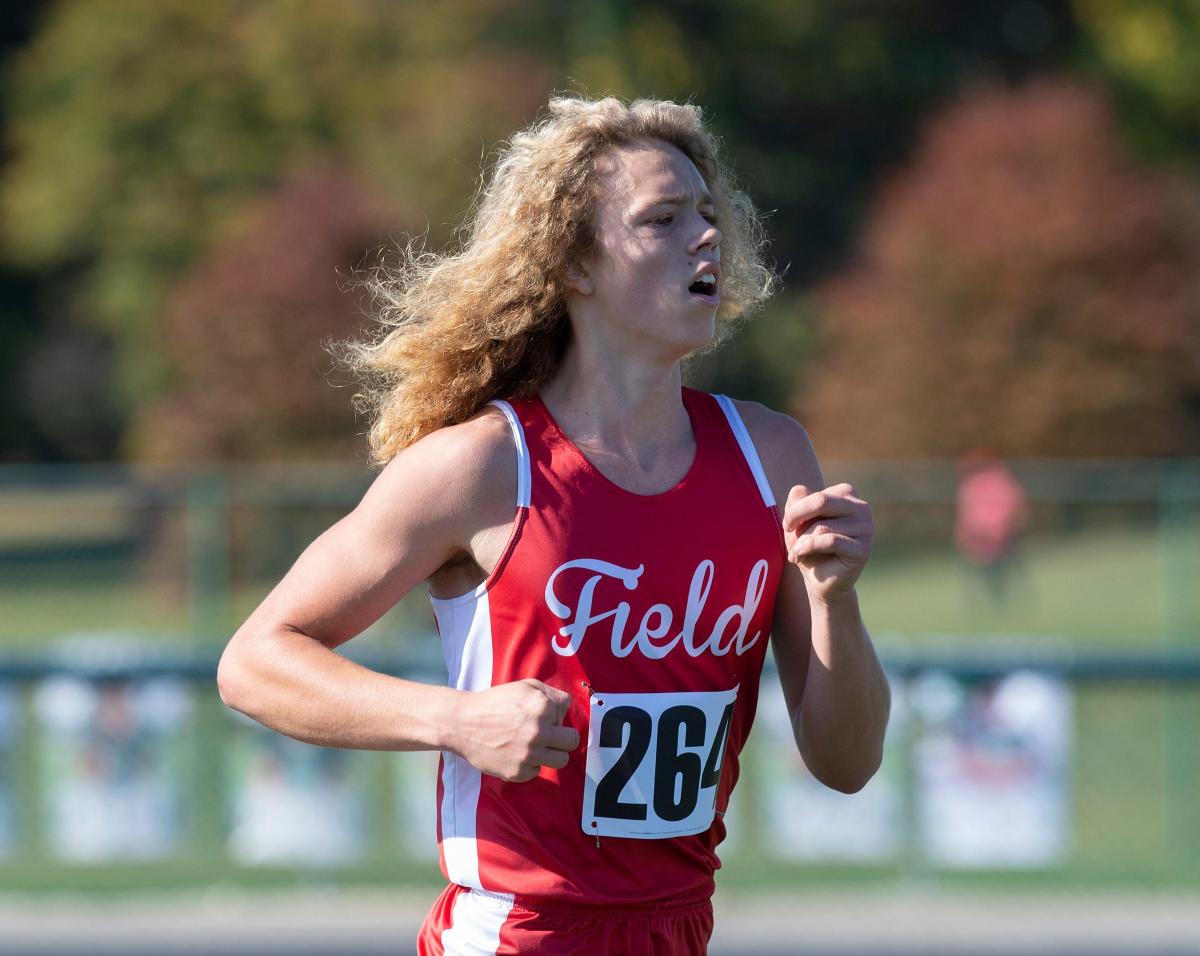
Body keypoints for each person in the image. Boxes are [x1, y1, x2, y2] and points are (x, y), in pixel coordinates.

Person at [217, 94, 891, 955]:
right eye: (665, 218)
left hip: (681, 933)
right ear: (574, 261)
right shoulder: (482, 467)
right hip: (514, 936)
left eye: (711, 215)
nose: (708, 237)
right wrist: (457, 721)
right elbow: (253, 662)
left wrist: (835, 601)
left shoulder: (772, 456)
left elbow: (848, 764)